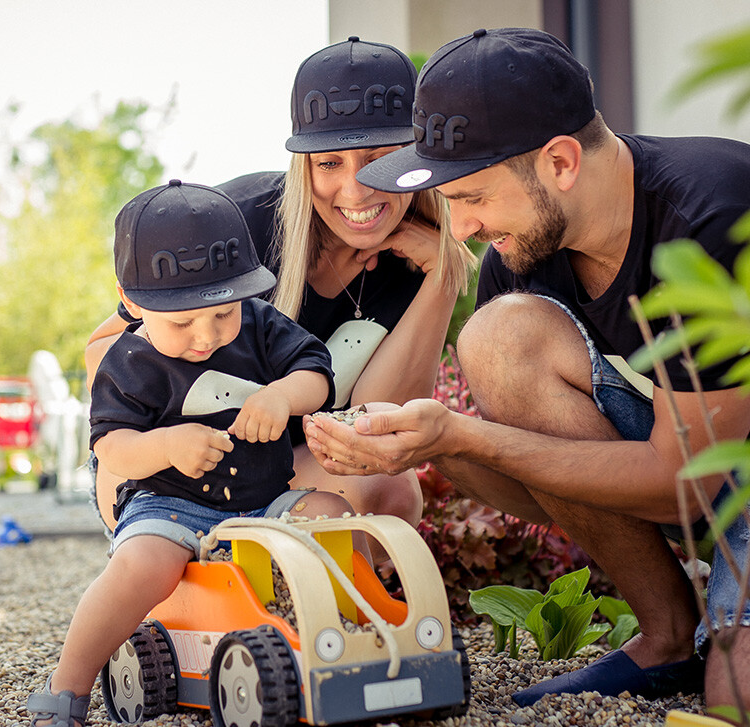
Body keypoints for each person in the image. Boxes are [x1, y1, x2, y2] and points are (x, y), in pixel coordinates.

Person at [307, 27, 750, 711]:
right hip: (702, 461)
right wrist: (426, 450)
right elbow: (555, 485)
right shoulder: (524, 259)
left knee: (736, 699)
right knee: (497, 337)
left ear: (561, 163)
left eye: (471, 197)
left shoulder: (712, 215)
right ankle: (666, 635)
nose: (460, 228)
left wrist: (463, 436)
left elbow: (681, 494)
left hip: (713, 474)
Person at [84, 37, 477, 538]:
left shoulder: (411, 260)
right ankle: (178, 567)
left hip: (270, 472)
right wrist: (162, 452)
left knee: (391, 493)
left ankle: (266, 585)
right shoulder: (236, 225)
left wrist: (443, 277)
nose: (356, 190)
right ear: (303, 164)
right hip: (165, 472)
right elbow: (103, 353)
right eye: (329, 164)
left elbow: (375, 424)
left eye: (381, 159)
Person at [26, 180, 352, 727]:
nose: (206, 336)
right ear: (132, 303)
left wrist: (281, 395)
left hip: (263, 500)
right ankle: (68, 685)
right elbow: (112, 449)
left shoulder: (258, 324)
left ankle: (345, 634)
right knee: (141, 567)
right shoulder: (128, 362)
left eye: (224, 314)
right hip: (168, 508)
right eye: (182, 322)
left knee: (336, 517)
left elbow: (317, 374)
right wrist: (166, 446)